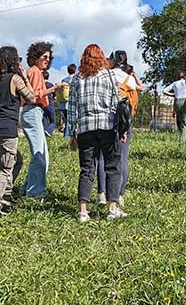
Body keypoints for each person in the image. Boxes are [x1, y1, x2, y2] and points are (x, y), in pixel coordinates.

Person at [69, 44, 127, 222]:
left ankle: (83, 211)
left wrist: (72, 133)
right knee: (112, 167)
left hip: (85, 128)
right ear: (101, 58)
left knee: (86, 169)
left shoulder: (77, 78)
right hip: (107, 126)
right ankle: (112, 208)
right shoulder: (108, 75)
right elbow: (117, 102)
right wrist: (122, 129)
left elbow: (72, 108)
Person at [0, 46, 37, 215]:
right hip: (6, 130)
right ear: (13, 61)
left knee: (17, 161)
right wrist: (25, 78)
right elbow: (32, 98)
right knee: (3, 170)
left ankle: (6, 195)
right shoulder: (14, 79)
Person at [95, 50, 143, 207]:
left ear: (112, 61)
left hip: (105, 121)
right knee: (122, 159)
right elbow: (140, 89)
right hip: (123, 122)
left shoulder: (106, 76)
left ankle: (101, 194)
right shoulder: (128, 79)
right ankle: (119, 195)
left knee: (102, 158)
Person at [19, 42, 62, 199]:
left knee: (42, 155)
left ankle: (27, 189)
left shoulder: (33, 71)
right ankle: (34, 193)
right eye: (44, 57)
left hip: (33, 112)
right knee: (39, 155)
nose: (47, 60)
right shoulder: (35, 72)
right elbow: (35, 95)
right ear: (36, 56)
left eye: (49, 58)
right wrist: (54, 89)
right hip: (33, 110)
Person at [165, 70, 186, 142]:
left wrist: (172, 95)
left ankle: (181, 136)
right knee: (185, 124)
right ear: (185, 76)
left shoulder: (174, 83)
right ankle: (183, 141)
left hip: (177, 102)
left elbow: (164, 91)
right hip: (185, 103)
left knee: (180, 121)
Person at [57, 64, 75, 138]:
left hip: (62, 103)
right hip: (70, 102)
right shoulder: (75, 78)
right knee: (70, 120)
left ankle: (65, 134)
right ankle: (67, 136)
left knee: (66, 120)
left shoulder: (64, 80)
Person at [43, 70, 57, 136]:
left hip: (42, 104)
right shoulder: (50, 84)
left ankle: (45, 133)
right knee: (53, 121)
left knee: (44, 119)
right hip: (49, 104)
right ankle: (49, 131)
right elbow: (55, 96)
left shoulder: (40, 85)